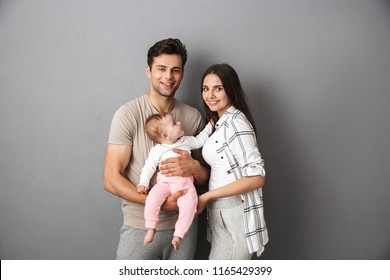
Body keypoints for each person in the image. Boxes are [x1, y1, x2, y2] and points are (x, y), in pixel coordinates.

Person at [103, 38, 209, 260]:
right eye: (161, 69)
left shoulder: (193, 117)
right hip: (140, 226)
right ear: (148, 71)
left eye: (175, 70)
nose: (168, 77)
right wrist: (158, 202)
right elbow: (111, 179)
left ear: (182, 74)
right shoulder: (128, 114)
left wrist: (195, 167)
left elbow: (207, 179)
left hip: (184, 228)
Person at [196, 63, 268, 259]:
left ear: (231, 89)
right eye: (205, 89)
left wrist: (206, 197)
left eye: (218, 88)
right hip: (221, 214)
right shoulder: (220, 123)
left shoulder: (237, 123)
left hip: (234, 213)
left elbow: (257, 178)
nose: (210, 95)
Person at [137, 113, 213, 251]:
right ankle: (151, 227)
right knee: (152, 198)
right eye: (174, 123)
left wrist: (210, 126)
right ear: (165, 136)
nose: (179, 123)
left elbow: (200, 140)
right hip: (164, 184)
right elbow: (149, 167)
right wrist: (143, 183)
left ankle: (179, 234)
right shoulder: (158, 150)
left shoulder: (186, 141)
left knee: (190, 205)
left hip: (185, 186)